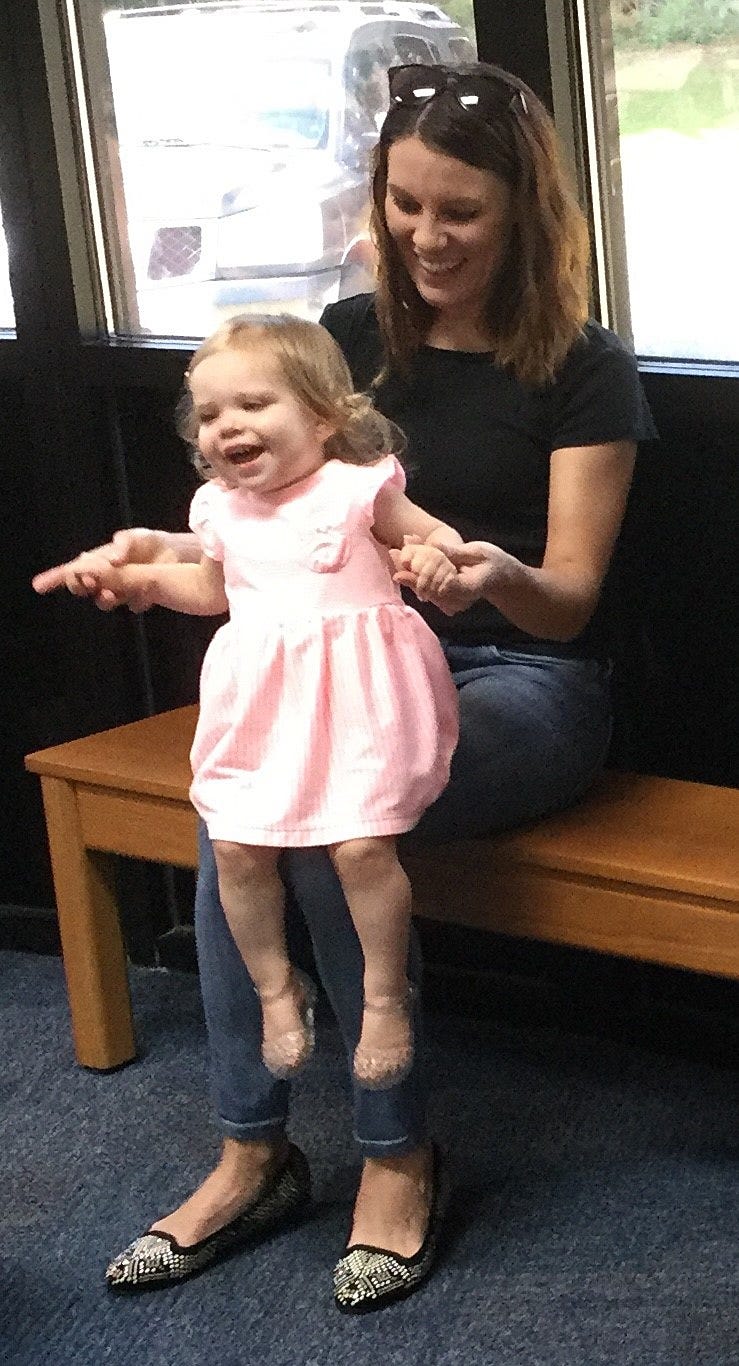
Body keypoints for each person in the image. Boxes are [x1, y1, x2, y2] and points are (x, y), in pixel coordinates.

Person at [33, 61, 657, 1313]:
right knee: (250, 815)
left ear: (521, 215)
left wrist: (491, 576)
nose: (427, 236)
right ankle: (252, 1149)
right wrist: (159, 562)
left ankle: (392, 1153)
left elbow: (571, 600)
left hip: (519, 681)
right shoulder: (348, 339)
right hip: (338, 656)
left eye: (461, 212)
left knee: (325, 821)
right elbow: (264, 533)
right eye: (406, 205)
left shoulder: (581, 367)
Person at [72, 312, 460, 1093]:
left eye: (252, 405)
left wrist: (431, 555)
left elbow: (438, 536)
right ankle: (276, 989)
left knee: (358, 849)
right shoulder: (219, 508)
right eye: (210, 414)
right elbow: (212, 588)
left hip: (362, 698)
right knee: (238, 848)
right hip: (262, 703)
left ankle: (385, 996)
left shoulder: (358, 487)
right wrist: (145, 580)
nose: (226, 427)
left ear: (322, 414)